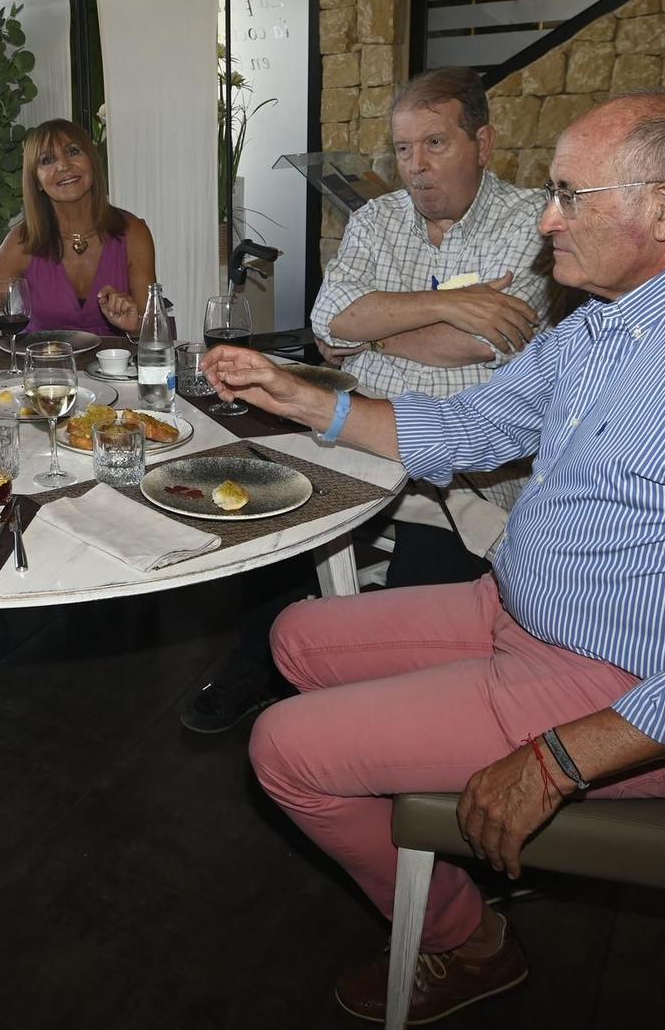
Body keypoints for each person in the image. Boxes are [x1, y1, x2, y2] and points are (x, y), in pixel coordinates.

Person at [203, 92, 665, 1025]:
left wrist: (553, 761)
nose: (545, 217)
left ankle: (468, 938)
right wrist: (298, 396)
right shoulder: (607, 322)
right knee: (296, 636)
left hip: (618, 685)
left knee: (281, 750)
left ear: (663, 211)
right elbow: (472, 422)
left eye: (567, 195)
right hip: (519, 611)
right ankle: (410, 809)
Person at [182, 68, 554, 735]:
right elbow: (328, 323)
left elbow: (492, 344)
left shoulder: (531, 221)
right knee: (272, 514)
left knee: (414, 619)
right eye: (404, 149)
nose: (416, 167)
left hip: (466, 468)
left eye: (435, 144)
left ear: (484, 142)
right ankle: (257, 665)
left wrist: (374, 337)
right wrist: (448, 304)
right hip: (352, 432)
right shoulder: (377, 219)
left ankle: (366, 715)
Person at [0, 118, 157, 357]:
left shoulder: (134, 233)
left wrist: (137, 325)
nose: (64, 165)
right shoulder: (22, 241)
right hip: (42, 379)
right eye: (47, 160)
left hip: (116, 375)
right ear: (37, 181)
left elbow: (154, 328)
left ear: (92, 162)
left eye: (73, 151)